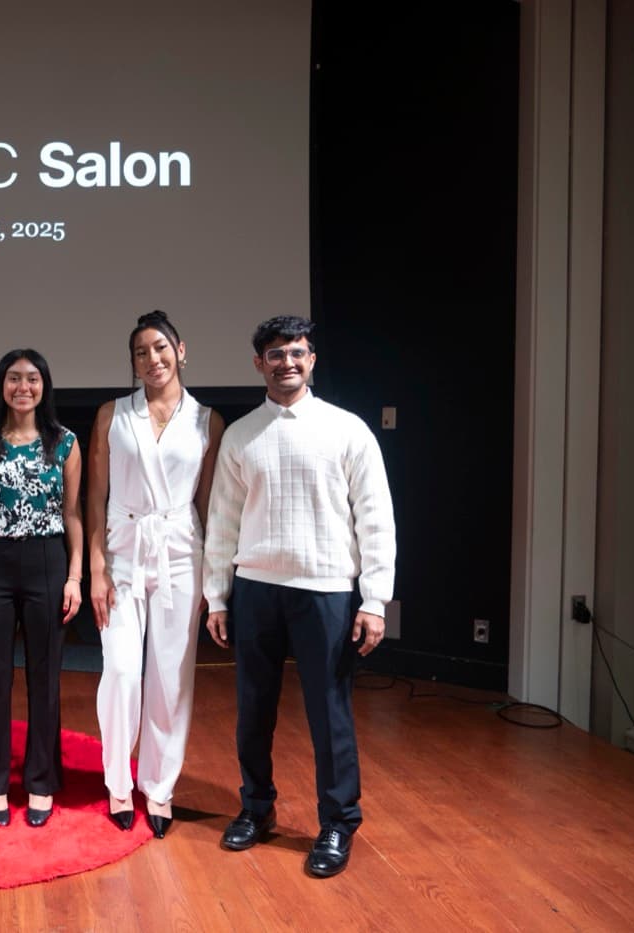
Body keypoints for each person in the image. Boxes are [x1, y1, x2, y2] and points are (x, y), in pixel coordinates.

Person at [203, 315, 395, 878]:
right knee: (253, 711)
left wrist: (374, 599)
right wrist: (217, 596)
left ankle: (338, 823)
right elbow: (222, 523)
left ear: (312, 361)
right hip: (257, 588)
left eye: (298, 353)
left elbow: (376, 519)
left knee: (329, 714)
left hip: (327, 591)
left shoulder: (348, 430)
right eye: (276, 354)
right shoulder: (241, 435)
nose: (287, 362)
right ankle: (256, 809)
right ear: (258, 362)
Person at [86, 310, 223, 839]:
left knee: (171, 678)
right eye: (141, 352)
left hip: (181, 555)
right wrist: (96, 567)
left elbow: (209, 506)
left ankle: (159, 788)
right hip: (122, 550)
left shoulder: (208, 421)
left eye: (160, 348)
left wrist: (215, 583)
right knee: (121, 671)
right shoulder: (111, 415)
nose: (152, 359)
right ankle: (118, 781)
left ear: (181, 350)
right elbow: (94, 495)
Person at [0, 349, 83, 827]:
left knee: (44, 676)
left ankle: (40, 780)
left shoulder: (65, 442)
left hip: (47, 561)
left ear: (44, 385)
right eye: (13, 379)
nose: (23, 387)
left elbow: (73, 514)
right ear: (1, 385)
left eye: (32, 379)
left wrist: (75, 576)